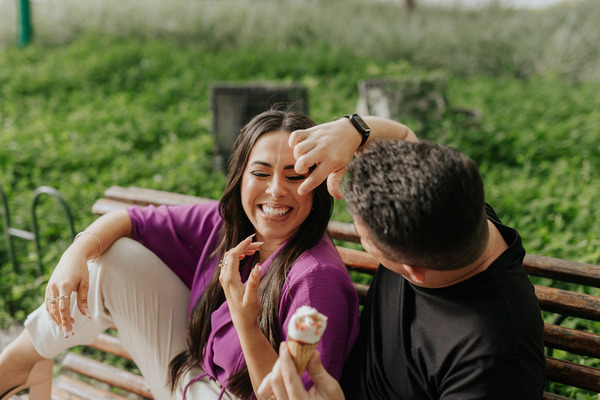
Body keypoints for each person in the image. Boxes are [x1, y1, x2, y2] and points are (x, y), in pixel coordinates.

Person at [0, 110, 360, 400]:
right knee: (116, 258)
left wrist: (246, 321)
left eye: (295, 176)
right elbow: (133, 220)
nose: (276, 191)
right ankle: (22, 360)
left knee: (115, 260)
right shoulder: (230, 226)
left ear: (316, 184)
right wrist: (74, 254)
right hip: (193, 372)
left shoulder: (316, 280)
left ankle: (19, 365)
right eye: (261, 173)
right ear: (241, 178)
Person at [257, 115, 546, 399]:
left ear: (413, 272)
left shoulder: (493, 364)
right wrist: (354, 130)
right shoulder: (455, 207)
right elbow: (405, 138)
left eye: (365, 240)